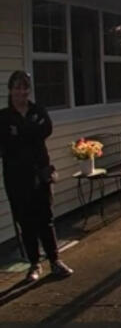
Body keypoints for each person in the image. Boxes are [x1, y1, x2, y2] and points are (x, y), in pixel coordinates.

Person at [1, 70, 73, 282]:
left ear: (29, 90)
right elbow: (5, 144)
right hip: (16, 176)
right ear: (10, 90)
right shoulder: (3, 117)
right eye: (17, 87)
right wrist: (25, 136)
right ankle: (34, 264)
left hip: (40, 173)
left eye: (24, 87)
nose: (21, 92)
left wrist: (20, 136)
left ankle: (55, 261)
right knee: (25, 221)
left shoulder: (38, 111)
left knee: (45, 218)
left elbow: (45, 130)